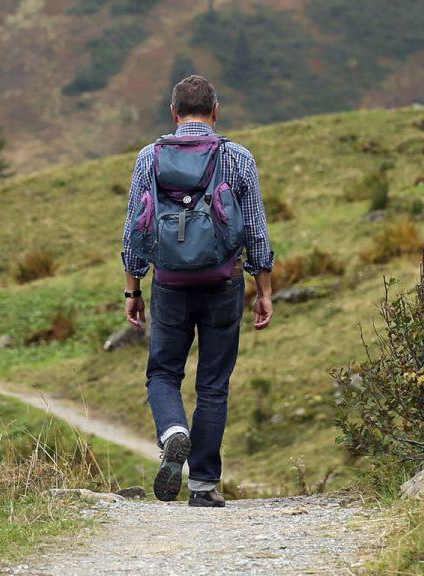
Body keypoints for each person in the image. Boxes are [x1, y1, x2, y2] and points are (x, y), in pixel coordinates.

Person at [121, 75, 274, 507]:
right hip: (223, 283)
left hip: (169, 284)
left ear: (173, 113)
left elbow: (135, 226)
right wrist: (263, 288)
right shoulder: (238, 157)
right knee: (213, 384)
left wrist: (133, 288)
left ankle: (173, 431)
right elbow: (257, 231)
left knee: (163, 373)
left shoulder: (149, 157)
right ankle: (204, 485)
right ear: (215, 111)